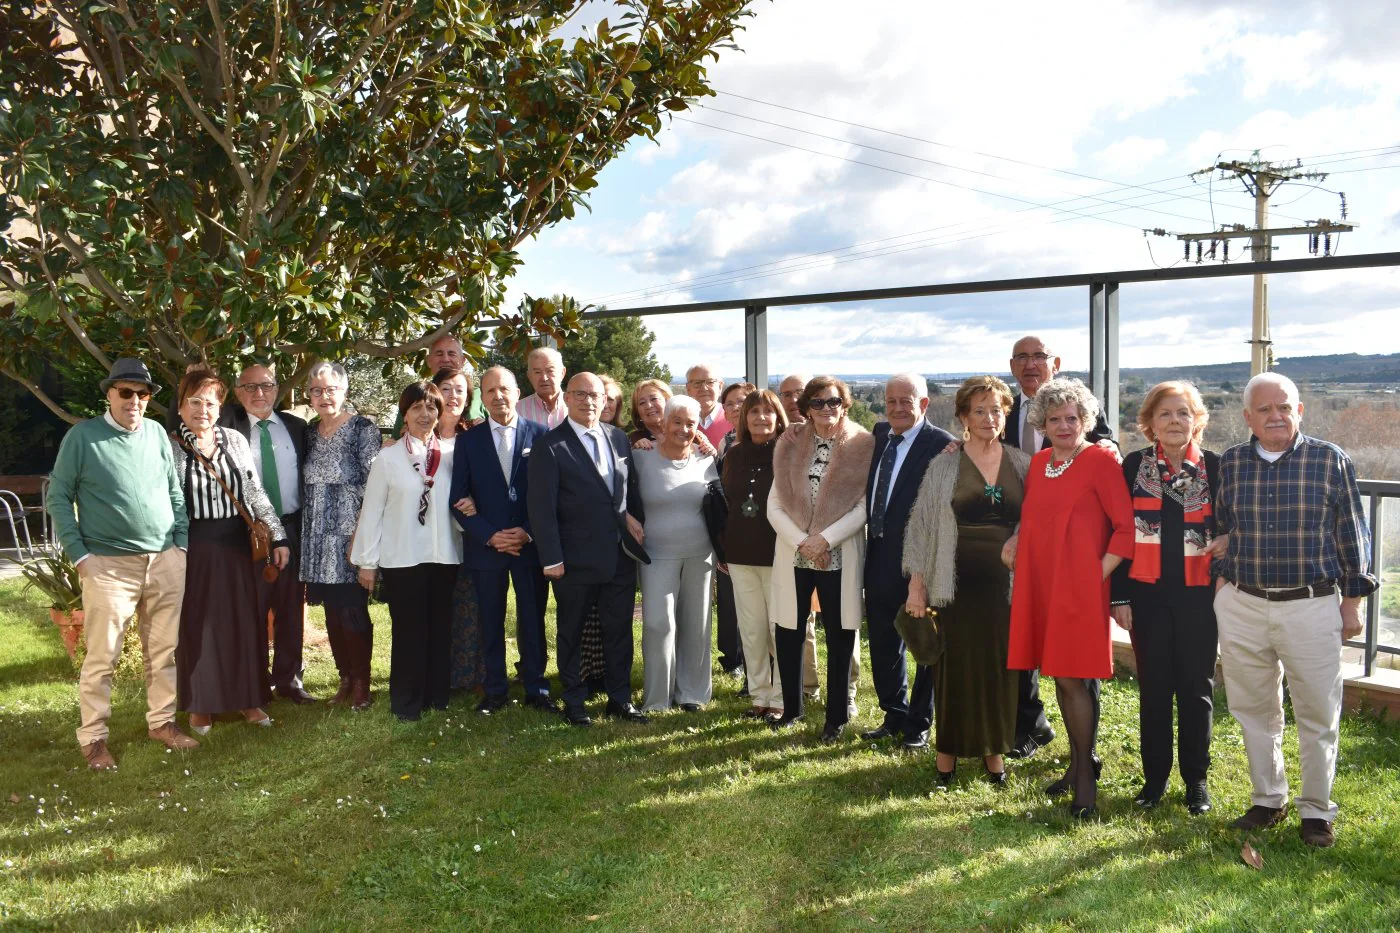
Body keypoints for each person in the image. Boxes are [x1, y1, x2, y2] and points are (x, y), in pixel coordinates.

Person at [1213, 373, 1376, 848]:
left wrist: (1353, 603)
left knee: (1317, 712)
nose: (1275, 416)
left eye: (1284, 407)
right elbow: (1223, 527)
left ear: (1299, 410)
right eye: (1264, 409)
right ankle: (1268, 800)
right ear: (1248, 418)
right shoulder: (1234, 463)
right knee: (1252, 710)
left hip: (1311, 603)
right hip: (1243, 604)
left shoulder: (1329, 459)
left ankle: (1317, 811)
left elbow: (1353, 536)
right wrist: (1223, 583)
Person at [48, 357, 199, 769]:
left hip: (165, 560)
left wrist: (180, 544)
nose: (135, 400)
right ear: (110, 394)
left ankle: (162, 722)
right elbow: (59, 497)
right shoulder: (83, 437)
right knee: (102, 656)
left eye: (143, 393)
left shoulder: (154, 434)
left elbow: (174, 492)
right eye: (126, 392)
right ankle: (94, 737)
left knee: (163, 652)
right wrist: (81, 556)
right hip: (109, 566)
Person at [1007, 377, 1135, 818]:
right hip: (1041, 585)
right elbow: (1036, 521)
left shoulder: (1100, 460)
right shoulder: (1041, 462)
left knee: (1072, 678)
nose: (1063, 425)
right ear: (1041, 422)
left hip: (1080, 590)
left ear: (1086, 421)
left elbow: (1125, 527)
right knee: (1061, 675)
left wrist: (1093, 577)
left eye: (1073, 418)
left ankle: (1084, 780)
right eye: (1054, 418)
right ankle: (1079, 763)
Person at [903, 376, 1030, 784]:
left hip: (1006, 587)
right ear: (963, 416)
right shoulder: (943, 464)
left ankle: (995, 756)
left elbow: (1038, 519)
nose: (989, 417)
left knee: (1000, 670)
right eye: (980, 410)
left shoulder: (1023, 463)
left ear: (1006, 414)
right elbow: (921, 528)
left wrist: (1019, 536)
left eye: (997, 409)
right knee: (952, 671)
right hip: (952, 583)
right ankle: (946, 759)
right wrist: (917, 586)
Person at [1110, 381, 1221, 816]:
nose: (1175, 422)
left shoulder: (1215, 466)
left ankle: (1196, 781)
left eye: (1183, 413)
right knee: (1154, 690)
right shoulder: (1132, 465)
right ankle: (1154, 779)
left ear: (1196, 421)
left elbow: (1229, 525)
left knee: (1197, 691)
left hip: (1200, 597)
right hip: (1145, 596)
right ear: (1150, 423)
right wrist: (1118, 595)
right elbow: (1117, 530)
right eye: (1165, 414)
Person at [1002, 335, 1114, 761]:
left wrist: (1095, 572)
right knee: (1033, 645)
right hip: (1032, 551)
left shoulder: (1086, 424)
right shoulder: (1010, 413)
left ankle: (1086, 754)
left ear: (1056, 362)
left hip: (1079, 563)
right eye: (1023, 358)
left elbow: (1106, 449)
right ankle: (1034, 727)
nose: (1031, 364)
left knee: (1079, 669)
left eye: (1039, 357)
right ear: (1013, 365)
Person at [169, 367, 290, 734]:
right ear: (180, 407)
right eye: (194, 402)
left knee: (243, 623)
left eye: (209, 402)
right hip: (193, 546)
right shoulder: (170, 445)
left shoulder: (235, 441)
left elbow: (254, 493)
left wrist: (279, 537)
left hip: (238, 545)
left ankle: (248, 700)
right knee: (198, 626)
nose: (202, 409)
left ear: (220, 407)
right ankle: (200, 706)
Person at [528, 372, 649, 726]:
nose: (589, 401)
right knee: (572, 633)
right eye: (579, 394)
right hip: (573, 561)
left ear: (605, 399)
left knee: (619, 632)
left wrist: (634, 521)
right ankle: (575, 703)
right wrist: (552, 558)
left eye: (595, 395)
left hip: (618, 557)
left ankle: (620, 700)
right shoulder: (550, 445)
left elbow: (630, 491)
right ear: (567, 398)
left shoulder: (617, 439)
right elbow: (541, 509)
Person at [768, 376, 874, 741]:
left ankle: (837, 717)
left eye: (834, 402)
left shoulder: (863, 444)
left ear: (845, 405)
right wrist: (803, 542)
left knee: (841, 633)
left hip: (839, 553)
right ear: (806, 408)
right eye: (818, 402)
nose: (827, 409)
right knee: (789, 630)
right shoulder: (790, 442)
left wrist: (825, 539)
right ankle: (792, 710)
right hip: (795, 553)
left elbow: (864, 506)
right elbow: (774, 504)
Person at [351, 381, 462, 721]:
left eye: (431, 408)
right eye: (417, 408)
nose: (425, 415)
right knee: (409, 631)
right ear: (405, 413)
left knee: (440, 628)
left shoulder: (453, 456)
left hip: (444, 555)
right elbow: (371, 512)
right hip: (403, 557)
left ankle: (436, 697)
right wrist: (367, 563)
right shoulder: (387, 458)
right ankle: (406, 701)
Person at [448, 366, 553, 713]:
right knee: (490, 621)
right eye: (489, 391)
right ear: (482, 397)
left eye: (503, 389)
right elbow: (458, 500)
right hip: (487, 549)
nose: (497, 397)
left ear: (516, 391)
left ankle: (537, 688)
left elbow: (551, 494)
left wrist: (527, 531)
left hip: (528, 546)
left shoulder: (540, 435)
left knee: (532, 619)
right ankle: (494, 690)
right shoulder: (468, 441)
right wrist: (491, 536)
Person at [861, 374, 957, 751]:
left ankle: (920, 722)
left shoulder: (943, 445)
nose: (898, 408)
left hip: (921, 557)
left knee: (923, 640)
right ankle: (893, 714)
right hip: (879, 551)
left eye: (907, 401)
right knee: (884, 637)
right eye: (891, 401)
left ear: (924, 404)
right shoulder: (880, 434)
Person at [225, 363, 314, 704]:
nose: (258, 393)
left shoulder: (297, 427)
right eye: (249, 387)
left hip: (291, 527)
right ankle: (255, 681)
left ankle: (289, 679)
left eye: (265, 386)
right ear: (237, 393)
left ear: (277, 389)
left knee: (291, 607)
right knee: (253, 610)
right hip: (248, 535)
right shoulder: (226, 426)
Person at [300, 362, 382, 710]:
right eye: (316, 390)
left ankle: (363, 682)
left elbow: (375, 486)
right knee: (332, 612)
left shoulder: (363, 429)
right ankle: (344, 679)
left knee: (352, 611)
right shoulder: (307, 432)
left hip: (351, 534)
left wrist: (363, 537)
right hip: (317, 537)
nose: (324, 396)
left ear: (344, 391)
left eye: (331, 389)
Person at [635, 396, 719, 712]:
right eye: (677, 422)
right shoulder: (641, 457)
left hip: (701, 554)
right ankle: (657, 698)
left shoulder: (705, 459)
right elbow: (624, 496)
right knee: (658, 624)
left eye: (690, 424)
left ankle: (693, 693)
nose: (683, 429)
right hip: (656, 554)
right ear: (665, 422)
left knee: (697, 623)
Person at [722, 390, 790, 718]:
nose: (760, 418)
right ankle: (759, 695)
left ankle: (781, 698)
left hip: (779, 553)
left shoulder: (789, 453)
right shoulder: (733, 455)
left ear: (778, 417)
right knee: (751, 630)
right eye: (753, 412)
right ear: (743, 419)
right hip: (739, 554)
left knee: (780, 630)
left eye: (767, 412)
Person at [433, 367, 486, 693]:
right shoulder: (418, 433)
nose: (453, 396)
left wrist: (476, 503)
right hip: (428, 533)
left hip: (468, 534)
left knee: (472, 606)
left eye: (460, 390)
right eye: (446, 389)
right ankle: (440, 675)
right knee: (438, 606)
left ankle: (475, 676)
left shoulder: (477, 435)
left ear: (468, 399)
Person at [630, 378, 717, 456]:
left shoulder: (694, 436)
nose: (649, 406)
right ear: (637, 412)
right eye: (642, 403)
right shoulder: (635, 440)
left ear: (668, 401)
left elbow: (711, 466)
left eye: (654, 399)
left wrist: (711, 452)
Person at [517, 346, 569, 428]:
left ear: (562, 372)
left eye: (550, 371)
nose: (544, 378)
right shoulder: (517, 411)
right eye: (537, 372)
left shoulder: (578, 406)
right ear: (529, 376)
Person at [686, 363, 731, 450]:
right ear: (688, 389)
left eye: (710, 382)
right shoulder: (680, 421)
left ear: (720, 387)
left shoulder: (734, 418)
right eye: (697, 383)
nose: (704, 388)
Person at [717, 382, 754, 458]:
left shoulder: (763, 438)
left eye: (741, 402)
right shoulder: (724, 443)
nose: (735, 408)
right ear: (726, 414)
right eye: (729, 404)